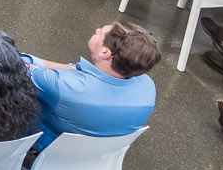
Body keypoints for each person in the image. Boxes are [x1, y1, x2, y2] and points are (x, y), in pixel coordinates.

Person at [28, 21, 160, 143]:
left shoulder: (63, 85)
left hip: (50, 149)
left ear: (105, 52)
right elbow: (76, 71)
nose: (97, 30)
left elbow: (17, 68)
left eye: (100, 32)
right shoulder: (148, 86)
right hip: (103, 157)